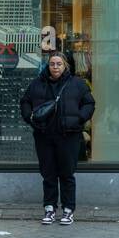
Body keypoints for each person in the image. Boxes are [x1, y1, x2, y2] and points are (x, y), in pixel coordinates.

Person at [19, 51, 95, 225]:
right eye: (52, 63)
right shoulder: (37, 84)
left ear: (65, 65)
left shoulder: (77, 84)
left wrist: (79, 118)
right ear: (48, 65)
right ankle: (49, 208)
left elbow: (89, 103)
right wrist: (29, 117)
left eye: (58, 64)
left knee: (67, 174)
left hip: (68, 136)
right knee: (48, 174)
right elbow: (25, 101)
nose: (55, 67)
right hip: (44, 135)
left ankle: (68, 210)